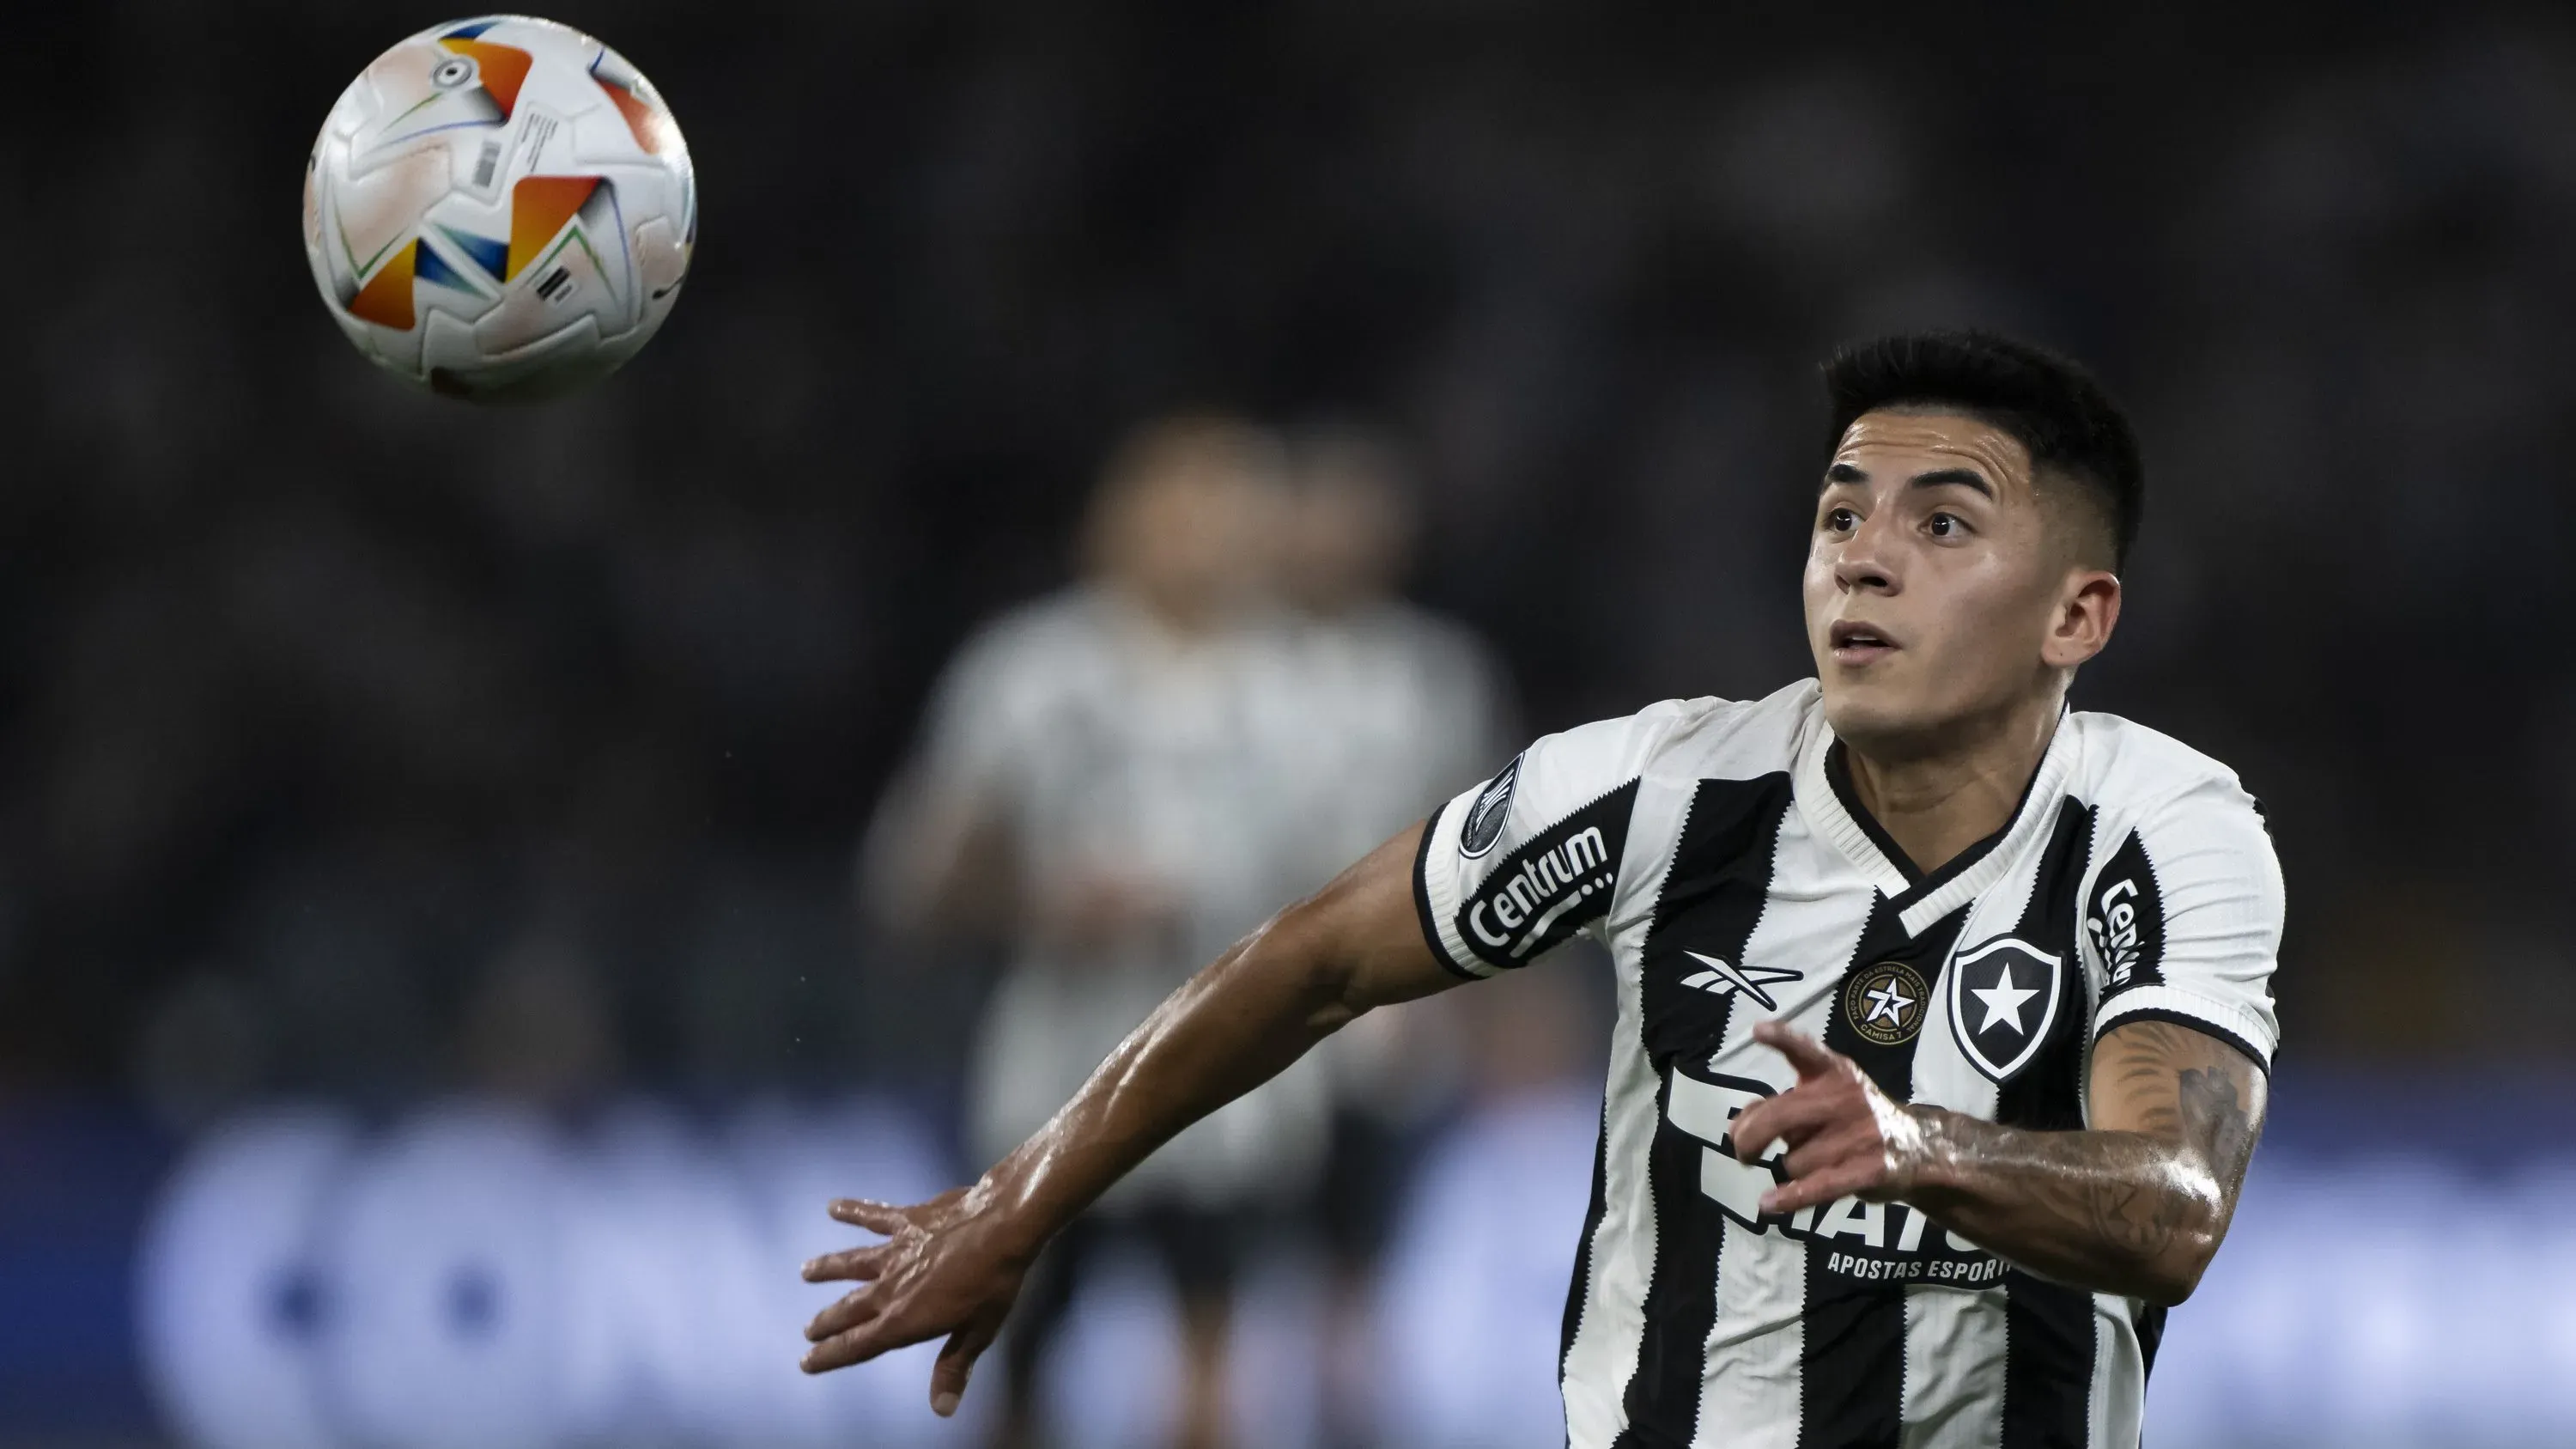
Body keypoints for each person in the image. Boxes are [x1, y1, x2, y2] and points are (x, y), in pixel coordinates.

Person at [809, 332, 2281, 1449]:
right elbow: (1319, 956)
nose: (1865, 562)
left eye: (1942, 525)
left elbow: (2178, 1205)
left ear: (2077, 613)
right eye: (1842, 516)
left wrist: (1921, 1145)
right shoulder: (1660, 789)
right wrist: (1019, 1197)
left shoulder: (2165, 830)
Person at [856, 415, 1327, 1449]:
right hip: (1052, 1073)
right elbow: (918, 880)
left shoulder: (1306, 693)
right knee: (1017, 1340)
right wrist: (1035, 897)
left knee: (1212, 1353)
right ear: (1114, 522)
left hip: (1229, 1081)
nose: (1198, 538)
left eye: (1222, 513)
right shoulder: (1029, 673)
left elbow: (1348, 889)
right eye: (1175, 510)